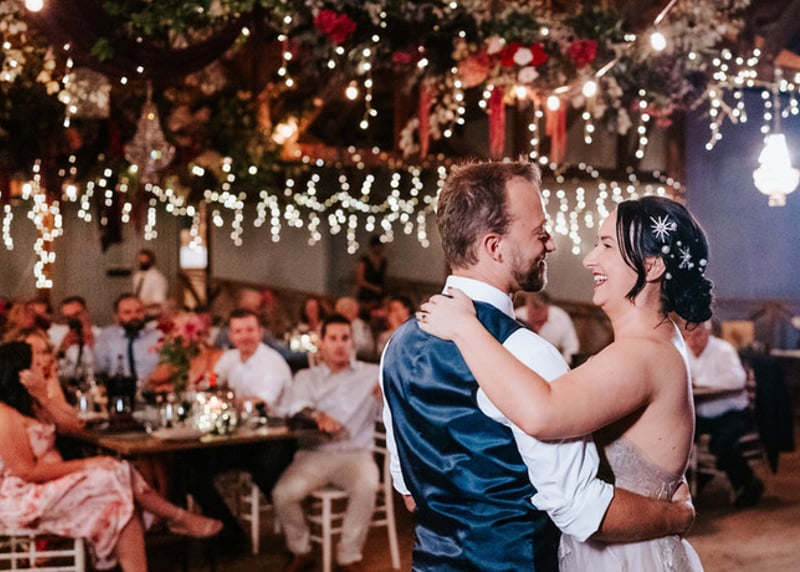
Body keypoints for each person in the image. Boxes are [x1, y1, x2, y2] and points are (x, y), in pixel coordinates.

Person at [415, 180, 711, 570]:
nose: (590, 259)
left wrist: (466, 328)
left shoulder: (641, 354)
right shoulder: (659, 341)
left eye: (607, 246)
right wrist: (672, 510)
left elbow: (543, 412)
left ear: (652, 266)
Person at [0, 341, 222, 572]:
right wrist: (88, 464)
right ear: (21, 374)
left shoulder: (33, 404)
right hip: (23, 497)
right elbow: (26, 472)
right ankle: (175, 516)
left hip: (50, 486)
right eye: (36, 366)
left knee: (117, 489)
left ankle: (171, 523)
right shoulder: (5, 415)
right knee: (113, 478)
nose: (42, 370)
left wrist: (44, 398)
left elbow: (73, 425)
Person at [273, 314, 382, 572]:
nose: (340, 344)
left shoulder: (373, 374)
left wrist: (388, 392)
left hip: (356, 453)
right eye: (333, 338)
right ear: (321, 343)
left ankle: (349, 555)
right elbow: (295, 407)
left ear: (352, 342)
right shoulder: (306, 377)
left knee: (367, 485)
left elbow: (394, 406)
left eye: (345, 338)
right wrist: (317, 416)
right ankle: (301, 549)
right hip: (315, 453)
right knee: (282, 494)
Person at [184, 308, 296, 554]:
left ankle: (296, 540)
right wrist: (200, 383)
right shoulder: (231, 358)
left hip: (276, 436)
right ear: (231, 336)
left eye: (250, 330)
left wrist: (223, 400)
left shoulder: (272, 362)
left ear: (260, 332)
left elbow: (260, 403)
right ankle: (230, 534)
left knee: (265, 473)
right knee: (190, 468)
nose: (244, 336)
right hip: (241, 437)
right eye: (238, 331)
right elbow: (211, 382)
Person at [684, 320, 765, 507]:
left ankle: (748, 484)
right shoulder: (685, 351)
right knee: (679, 437)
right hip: (702, 413)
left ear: (708, 333)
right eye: (688, 335)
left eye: (698, 334)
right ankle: (691, 482)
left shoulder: (723, 350)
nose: (693, 340)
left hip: (732, 413)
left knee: (722, 444)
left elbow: (736, 380)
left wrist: (699, 382)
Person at [94, 294, 167, 392]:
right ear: (117, 316)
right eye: (127, 312)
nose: (134, 316)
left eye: (139, 311)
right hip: (118, 392)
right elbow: (98, 370)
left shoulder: (157, 336)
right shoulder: (106, 337)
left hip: (152, 392)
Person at [515, 291, 580, 365]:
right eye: (531, 310)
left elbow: (572, 346)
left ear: (547, 307)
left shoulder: (560, 318)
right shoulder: (517, 317)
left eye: (539, 310)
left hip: (554, 363)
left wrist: (564, 364)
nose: (535, 315)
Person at [49, 295, 100, 386]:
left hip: (96, 385)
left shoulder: (100, 335)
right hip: (67, 386)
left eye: (77, 315)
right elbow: (50, 367)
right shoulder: (57, 335)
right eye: (68, 318)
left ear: (87, 312)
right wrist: (62, 348)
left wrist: (93, 345)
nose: (74, 320)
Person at [132, 248, 169, 321]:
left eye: (144, 261)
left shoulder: (157, 278)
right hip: (139, 313)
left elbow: (159, 300)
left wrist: (142, 305)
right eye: (140, 260)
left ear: (151, 261)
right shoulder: (137, 276)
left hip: (152, 315)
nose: (141, 262)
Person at [355, 235, 387, 317]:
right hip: (366, 294)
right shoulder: (364, 260)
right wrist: (374, 288)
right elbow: (360, 280)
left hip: (379, 295)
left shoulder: (383, 261)